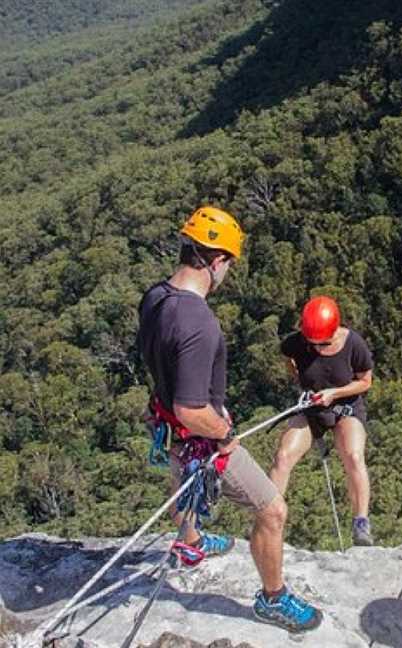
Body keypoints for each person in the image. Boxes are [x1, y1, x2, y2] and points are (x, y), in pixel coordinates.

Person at [137, 206, 322, 633]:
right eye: (228, 265)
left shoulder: (155, 297)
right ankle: (273, 600)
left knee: (180, 471)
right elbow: (192, 409)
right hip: (197, 431)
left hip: (165, 421)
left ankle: (191, 544)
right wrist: (225, 434)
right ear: (217, 261)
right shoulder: (199, 322)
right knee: (272, 509)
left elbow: (159, 364)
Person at [272, 295, 375, 546]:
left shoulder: (354, 344)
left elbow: (365, 381)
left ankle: (361, 522)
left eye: (323, 343)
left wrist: (334, 393)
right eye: (313, 344)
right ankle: (269, 518)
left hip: (345, 407)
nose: (317, 348)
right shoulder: (296, 343)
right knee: (283, 456)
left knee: (352, 455)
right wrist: (301, 382)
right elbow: (288, 358)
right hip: (312, 407)